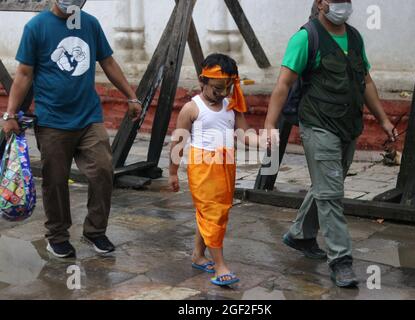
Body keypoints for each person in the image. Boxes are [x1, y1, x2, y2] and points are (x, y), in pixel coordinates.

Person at [264, 0, 398, 287]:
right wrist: (268, 125)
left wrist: (384, 120)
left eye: (347, 1)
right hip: (318, 124)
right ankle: (341, 261)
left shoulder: (355, 37)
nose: (344, 5)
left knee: (326, 186)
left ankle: (300, 234)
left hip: (348, 126)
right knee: (332, 194)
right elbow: (283, 84)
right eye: (337, 0)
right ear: (321, 2)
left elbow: (366, 82)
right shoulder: (306, 37)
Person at [2, 0, 142, 258]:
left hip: (89, 117)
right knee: (55, 181)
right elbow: (23, 74)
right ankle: (57, 236)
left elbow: (108, 62)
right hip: (52, 120)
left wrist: (130, 96)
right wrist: (10, 113)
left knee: (102, 169)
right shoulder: (37, 27)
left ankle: (95, 231)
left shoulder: (90, 24)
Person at [169, 53, 259, 287]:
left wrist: (261, 141)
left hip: (226, 165)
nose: (222, 94)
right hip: (202, 168)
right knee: (212, 214)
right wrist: (172, 172)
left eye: (227, 88)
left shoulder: (232, 106)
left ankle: (198, 255)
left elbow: (244, 134)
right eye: (217, 88)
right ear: (202, 81)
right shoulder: (192, 108)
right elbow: (177, 143)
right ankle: (220, 266)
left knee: (217, 212)